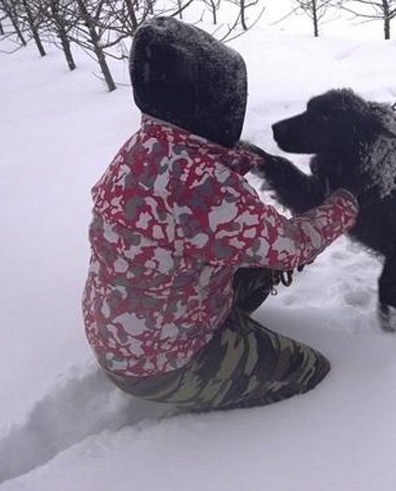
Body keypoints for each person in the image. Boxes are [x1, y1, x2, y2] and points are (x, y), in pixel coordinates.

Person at [82, 17, 358, 411]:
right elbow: (291, 246)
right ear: (204, 104)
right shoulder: (203, 189)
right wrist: (346, 203)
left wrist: (245, 159)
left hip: (120, 331)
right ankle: (213, 429)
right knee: (312, 371)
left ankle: (221, 330)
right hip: (161, 363)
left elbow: (200, 208)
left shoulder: (147, 144)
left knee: (256, 269)